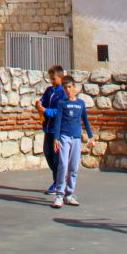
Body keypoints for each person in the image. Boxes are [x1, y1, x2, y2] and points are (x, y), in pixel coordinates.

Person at [51, 75, 95, 208]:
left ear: (75, 87)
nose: (68, 90)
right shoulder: (62, 103)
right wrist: (56, 138)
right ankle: (59, 194)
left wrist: (90, 136)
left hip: (76, 137)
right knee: (63, 165)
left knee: (74, 167)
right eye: (65, 88)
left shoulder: (80, 103)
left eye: (69, 87)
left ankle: (69, 194)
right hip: (64, 137)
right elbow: (58, 121)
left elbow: (85, 120)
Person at [36, 64, 67, 194]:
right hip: (47, 129)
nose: (51, 81)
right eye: (50, 78)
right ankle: (58, 180)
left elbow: (59, 111)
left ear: (60, 78)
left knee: (56, 158)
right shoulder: (49, 90)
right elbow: (42, 101)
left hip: (57, 130)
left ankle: (57, 183)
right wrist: (38, 104)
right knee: (48, 153)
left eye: (53, 78)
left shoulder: (63, 93)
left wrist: (46, 111)